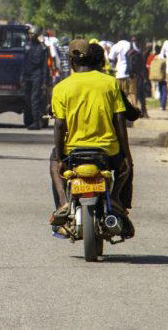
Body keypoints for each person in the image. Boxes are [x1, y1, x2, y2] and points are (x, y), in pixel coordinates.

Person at [48, 39, 134, 237]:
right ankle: (116, 201)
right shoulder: (110, 83)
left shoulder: (61, 87)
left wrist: (61, 157)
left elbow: (59, 125)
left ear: (71, 60)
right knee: (126, 167)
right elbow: (120, 119)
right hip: (107, 151)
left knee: (54, 162)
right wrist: (126, 155)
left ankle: (63, 202)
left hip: (73, 151)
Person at [21, 27, 51, 130]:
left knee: (35, 99)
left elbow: (44, 66)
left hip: (37, 76)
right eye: (30, 34)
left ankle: (37, 122)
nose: (31, 36)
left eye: (33, 34)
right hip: (27, 76)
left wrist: (44, 81)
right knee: (27, 99)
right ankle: (29, 120)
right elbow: (23, 63)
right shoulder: (27, 46)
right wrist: (22, 76)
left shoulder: (43, 48)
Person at [147, 45, 167, 111]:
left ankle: (161, 104)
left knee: (160, 90)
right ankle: (163, 105)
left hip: (157, 76)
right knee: (164, 90)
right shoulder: (164, 56)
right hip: (164, 76)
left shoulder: (154, 57)